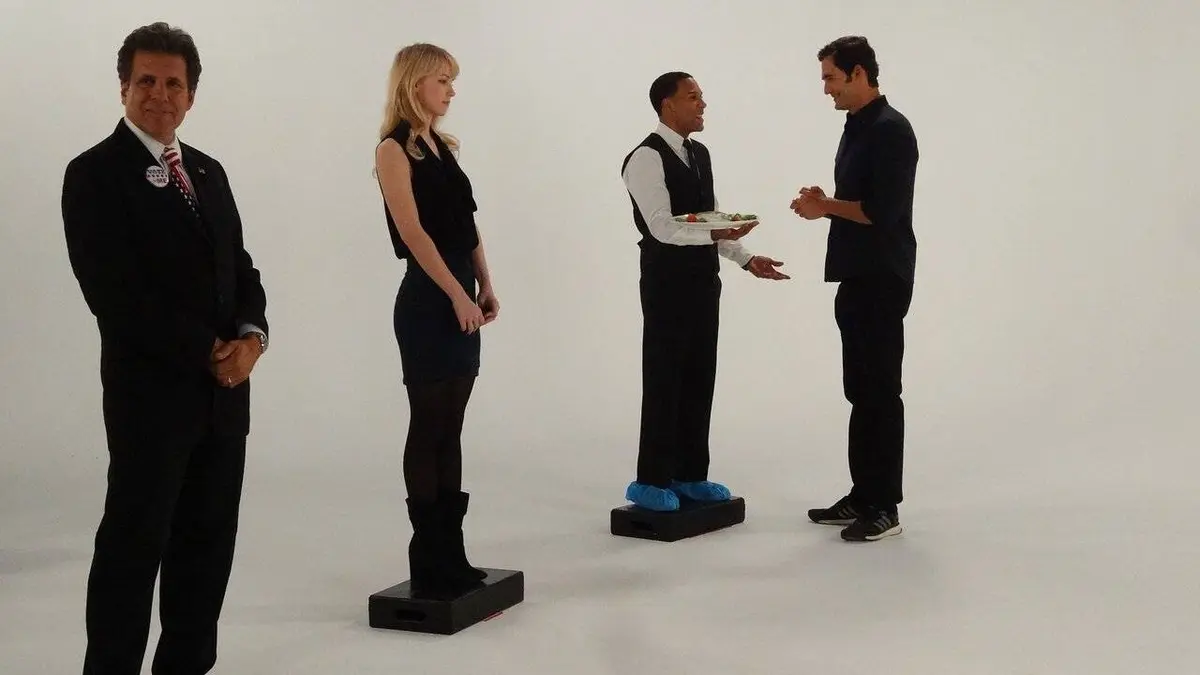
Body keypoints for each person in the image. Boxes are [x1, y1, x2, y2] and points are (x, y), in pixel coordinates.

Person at [61, 22, 268, 674]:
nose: (159, 94)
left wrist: (252, 340)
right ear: (123, 87)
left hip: (225, 398)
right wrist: (208, 349)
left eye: (173, 83)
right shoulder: (94, 174)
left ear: (191, 95)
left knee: (206, 551)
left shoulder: (207, 171)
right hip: (151, 400)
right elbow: (114, 294)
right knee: (132, 549)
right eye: (145, 80)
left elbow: (241, 270)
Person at [620, 71, 789, 512]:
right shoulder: (645, 158)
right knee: (665, 377)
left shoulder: (700, 154)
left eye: (701, 96)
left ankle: (690, 474)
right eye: (693, 96)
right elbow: (661, 227)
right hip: (666, 283)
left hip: (702, 282)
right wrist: (717, 234)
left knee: (699, 376)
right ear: (667, 104)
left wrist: (745, 258)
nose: (702, 104)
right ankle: (650, 479)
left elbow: (708, 218)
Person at [373, 43, 499, 596]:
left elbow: (467, 224)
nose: (451, 90)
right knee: (428, 424)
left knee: (452, 426)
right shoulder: (392, 149)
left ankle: (453, 552)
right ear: (415, 82)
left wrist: (484, 284)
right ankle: (427, 556)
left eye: (451, 80)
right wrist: (455, 295)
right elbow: (413, 233)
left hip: (460, 296)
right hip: (428, 301)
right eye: (442, 80)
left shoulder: (443, 148)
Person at [791, 36, 919, 542]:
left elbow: (881, 212)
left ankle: (885, 506)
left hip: (883, 276)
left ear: (859, 73)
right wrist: (827, 201)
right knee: (860, 390)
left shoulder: (891, 130)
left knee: (880, 391)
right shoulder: (856, 125)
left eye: (831, 77)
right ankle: (863, 494)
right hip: (855, 274)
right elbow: (856, 199)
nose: (826, 88)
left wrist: (826, 207)